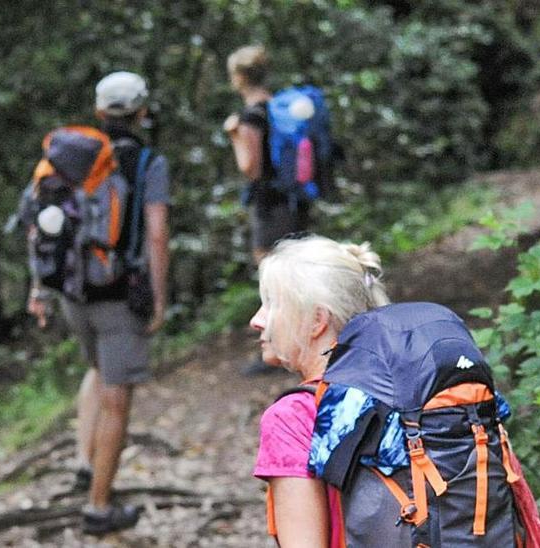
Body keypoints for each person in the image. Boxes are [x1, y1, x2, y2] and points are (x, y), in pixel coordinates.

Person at [25, 71, 171, 536]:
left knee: (95, 368)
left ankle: (84, 463)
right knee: (117, 398)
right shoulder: (148, 162)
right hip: (117, 295)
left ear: (99, 112)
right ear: (142, 112)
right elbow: (157, 234)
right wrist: (159, 298)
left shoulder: (71, 156)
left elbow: (39, 225)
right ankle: (98, 507)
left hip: (71, 292)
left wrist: (38, 287)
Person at [249, 235, 390, 547]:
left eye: (271, 304)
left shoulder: (295, 416)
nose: (256, 320)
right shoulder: (409, 391)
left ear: (316, 321)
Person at [223, 45, 311, 265]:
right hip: (296, 200)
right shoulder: (280, 108)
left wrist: (234, 135)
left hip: (270, 206)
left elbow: (250, 169)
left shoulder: (251, 116)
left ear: (239, 77)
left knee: (270, 271)